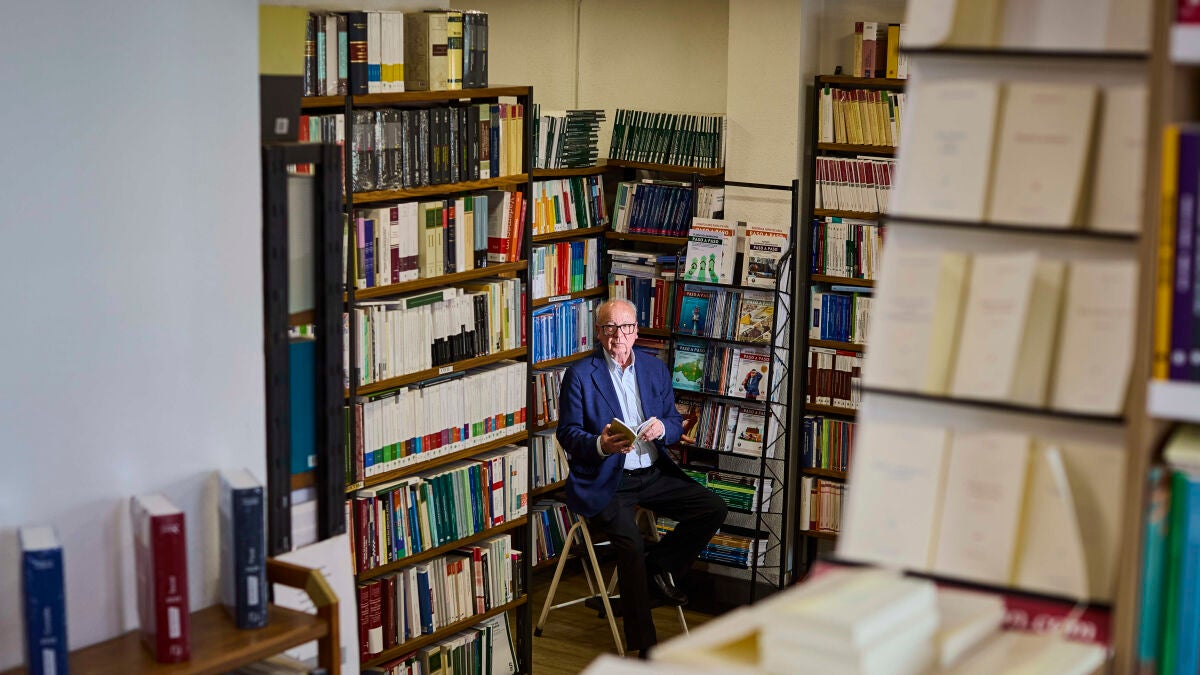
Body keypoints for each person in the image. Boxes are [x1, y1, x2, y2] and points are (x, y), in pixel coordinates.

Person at [556, 299, 728, 659]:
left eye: (626, 327)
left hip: (652, 472)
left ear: (637, 330)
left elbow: (673, 422)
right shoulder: (580, 374)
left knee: (712, 507)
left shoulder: (653, 369)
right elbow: (568, 433)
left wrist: (663, 427)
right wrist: (601, 444)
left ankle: (657, 571)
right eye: (609, 327)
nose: (618, 335)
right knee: (631, 544)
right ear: (598, 332)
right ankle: (644, 646)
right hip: (607, 480)